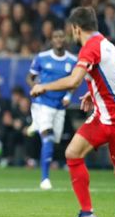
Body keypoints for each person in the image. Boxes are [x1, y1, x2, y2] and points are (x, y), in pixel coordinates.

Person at [31, 6, 115, 217]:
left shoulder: (90, 47)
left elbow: (73, 81)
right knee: (72, 153)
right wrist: (94, 93)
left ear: (75, 28)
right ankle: (87, 212)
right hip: (103, 117)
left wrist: (43, 86)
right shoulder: (107, 43)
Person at [26, 29, 77, 190]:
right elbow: (30, 77)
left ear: (65, 39)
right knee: (47, 138)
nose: (59, 39)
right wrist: (36, 87)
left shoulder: (72, 60)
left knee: (54, 140)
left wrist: (69, 95)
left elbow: (74, 82)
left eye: (61, 36)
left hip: (59, 107)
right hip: (43, 103)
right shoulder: (42, 57)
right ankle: (45, 179)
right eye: (56, 36)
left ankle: (36, 124)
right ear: (52, 40)